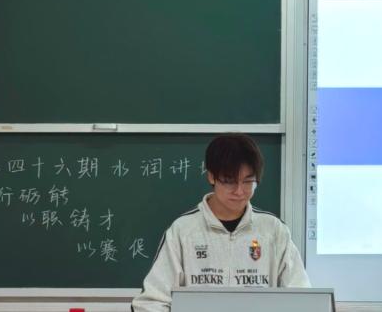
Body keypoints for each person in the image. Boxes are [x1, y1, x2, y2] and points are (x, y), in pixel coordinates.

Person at [131, 133, 310, 312]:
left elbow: (301, 299)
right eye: (229, 181)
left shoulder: (274, 231)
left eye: (248, 181)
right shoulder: (183, 231)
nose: (239, 191)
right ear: (211, 176)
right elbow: (150, 303)